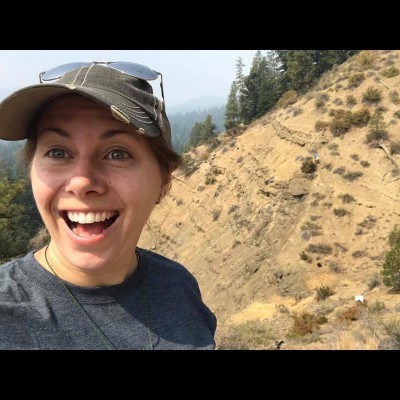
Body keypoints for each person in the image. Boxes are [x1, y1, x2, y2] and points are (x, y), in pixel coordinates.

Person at [0, 61, 217, 350]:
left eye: (117, 153)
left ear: (164, 180)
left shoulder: (178, 286)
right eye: (57, 151)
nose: (81, 181)